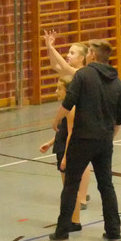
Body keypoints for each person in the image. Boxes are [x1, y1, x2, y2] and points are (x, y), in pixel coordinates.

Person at [49, 39, 121, 241]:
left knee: (71, 184)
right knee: (106, 185)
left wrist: (56, 120)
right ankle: (113, 231)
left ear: (91, 54)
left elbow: (69, 101)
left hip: (82, 138)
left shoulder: (83, 75)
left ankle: (62, 232)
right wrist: (109, 136)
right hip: (104, 140)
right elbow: (119, 118)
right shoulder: (116, 81)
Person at [43, 29, 92, 211]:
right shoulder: (71, 72)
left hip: (81, 117)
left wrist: (51, 47)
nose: (68, 55)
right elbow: (55, 64)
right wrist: (49, 47)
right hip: (71, 115)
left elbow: (63, 66)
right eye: (68, 52)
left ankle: (82, 196)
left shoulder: (81, 72)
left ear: (82, 58)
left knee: (82, 160)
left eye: (72, 53)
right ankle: (77, 193)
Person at [39, 76, 86, 230]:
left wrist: (66, 156)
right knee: (67, 187)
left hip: (68, 151)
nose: (56, 91)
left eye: (60, 88)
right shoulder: (67, 109)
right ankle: (72, 219)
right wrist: (50, 143)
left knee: (70, 188)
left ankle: (75, 221)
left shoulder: (71, 110)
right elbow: (63, 132)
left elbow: (71, 134)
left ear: (68, 91)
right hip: (61, 148)